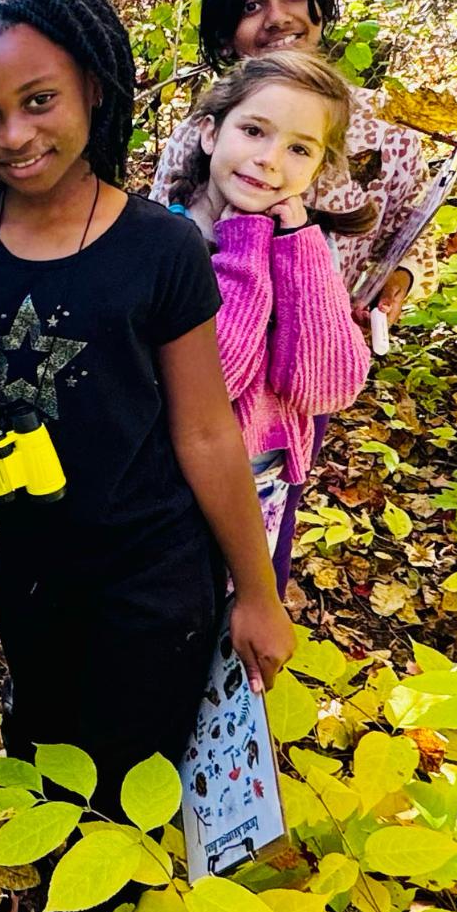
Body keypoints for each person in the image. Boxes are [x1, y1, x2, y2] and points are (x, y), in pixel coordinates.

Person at [0, 0, 295, 835]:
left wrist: (257, 592)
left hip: (152, 583)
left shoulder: (161, 249)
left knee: (126, 803)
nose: (14, 136)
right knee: (43, 773)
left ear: (95, 89)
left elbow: (206, 433)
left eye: (40, 101)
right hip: (32, 577)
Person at [149, 0, 439, 323]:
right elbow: (156, 249)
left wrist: (395, 284)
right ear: (226, 32)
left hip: (320, 344)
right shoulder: (197, 135)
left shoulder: (386, 133)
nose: (278, 17)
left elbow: (414, 237)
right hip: (205, 343)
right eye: (251, 6)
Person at [156, 50, 373, 573]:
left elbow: (328, 387)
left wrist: (300, 247)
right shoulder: (163, 242)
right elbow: (216, 380)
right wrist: (247, 244)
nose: (270, 159)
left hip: (263, 485)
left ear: (319, 168)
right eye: (253, 131)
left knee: (238, 616)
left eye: (299, 148)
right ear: (210, 133)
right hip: (168, 485)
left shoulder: (302, 247)